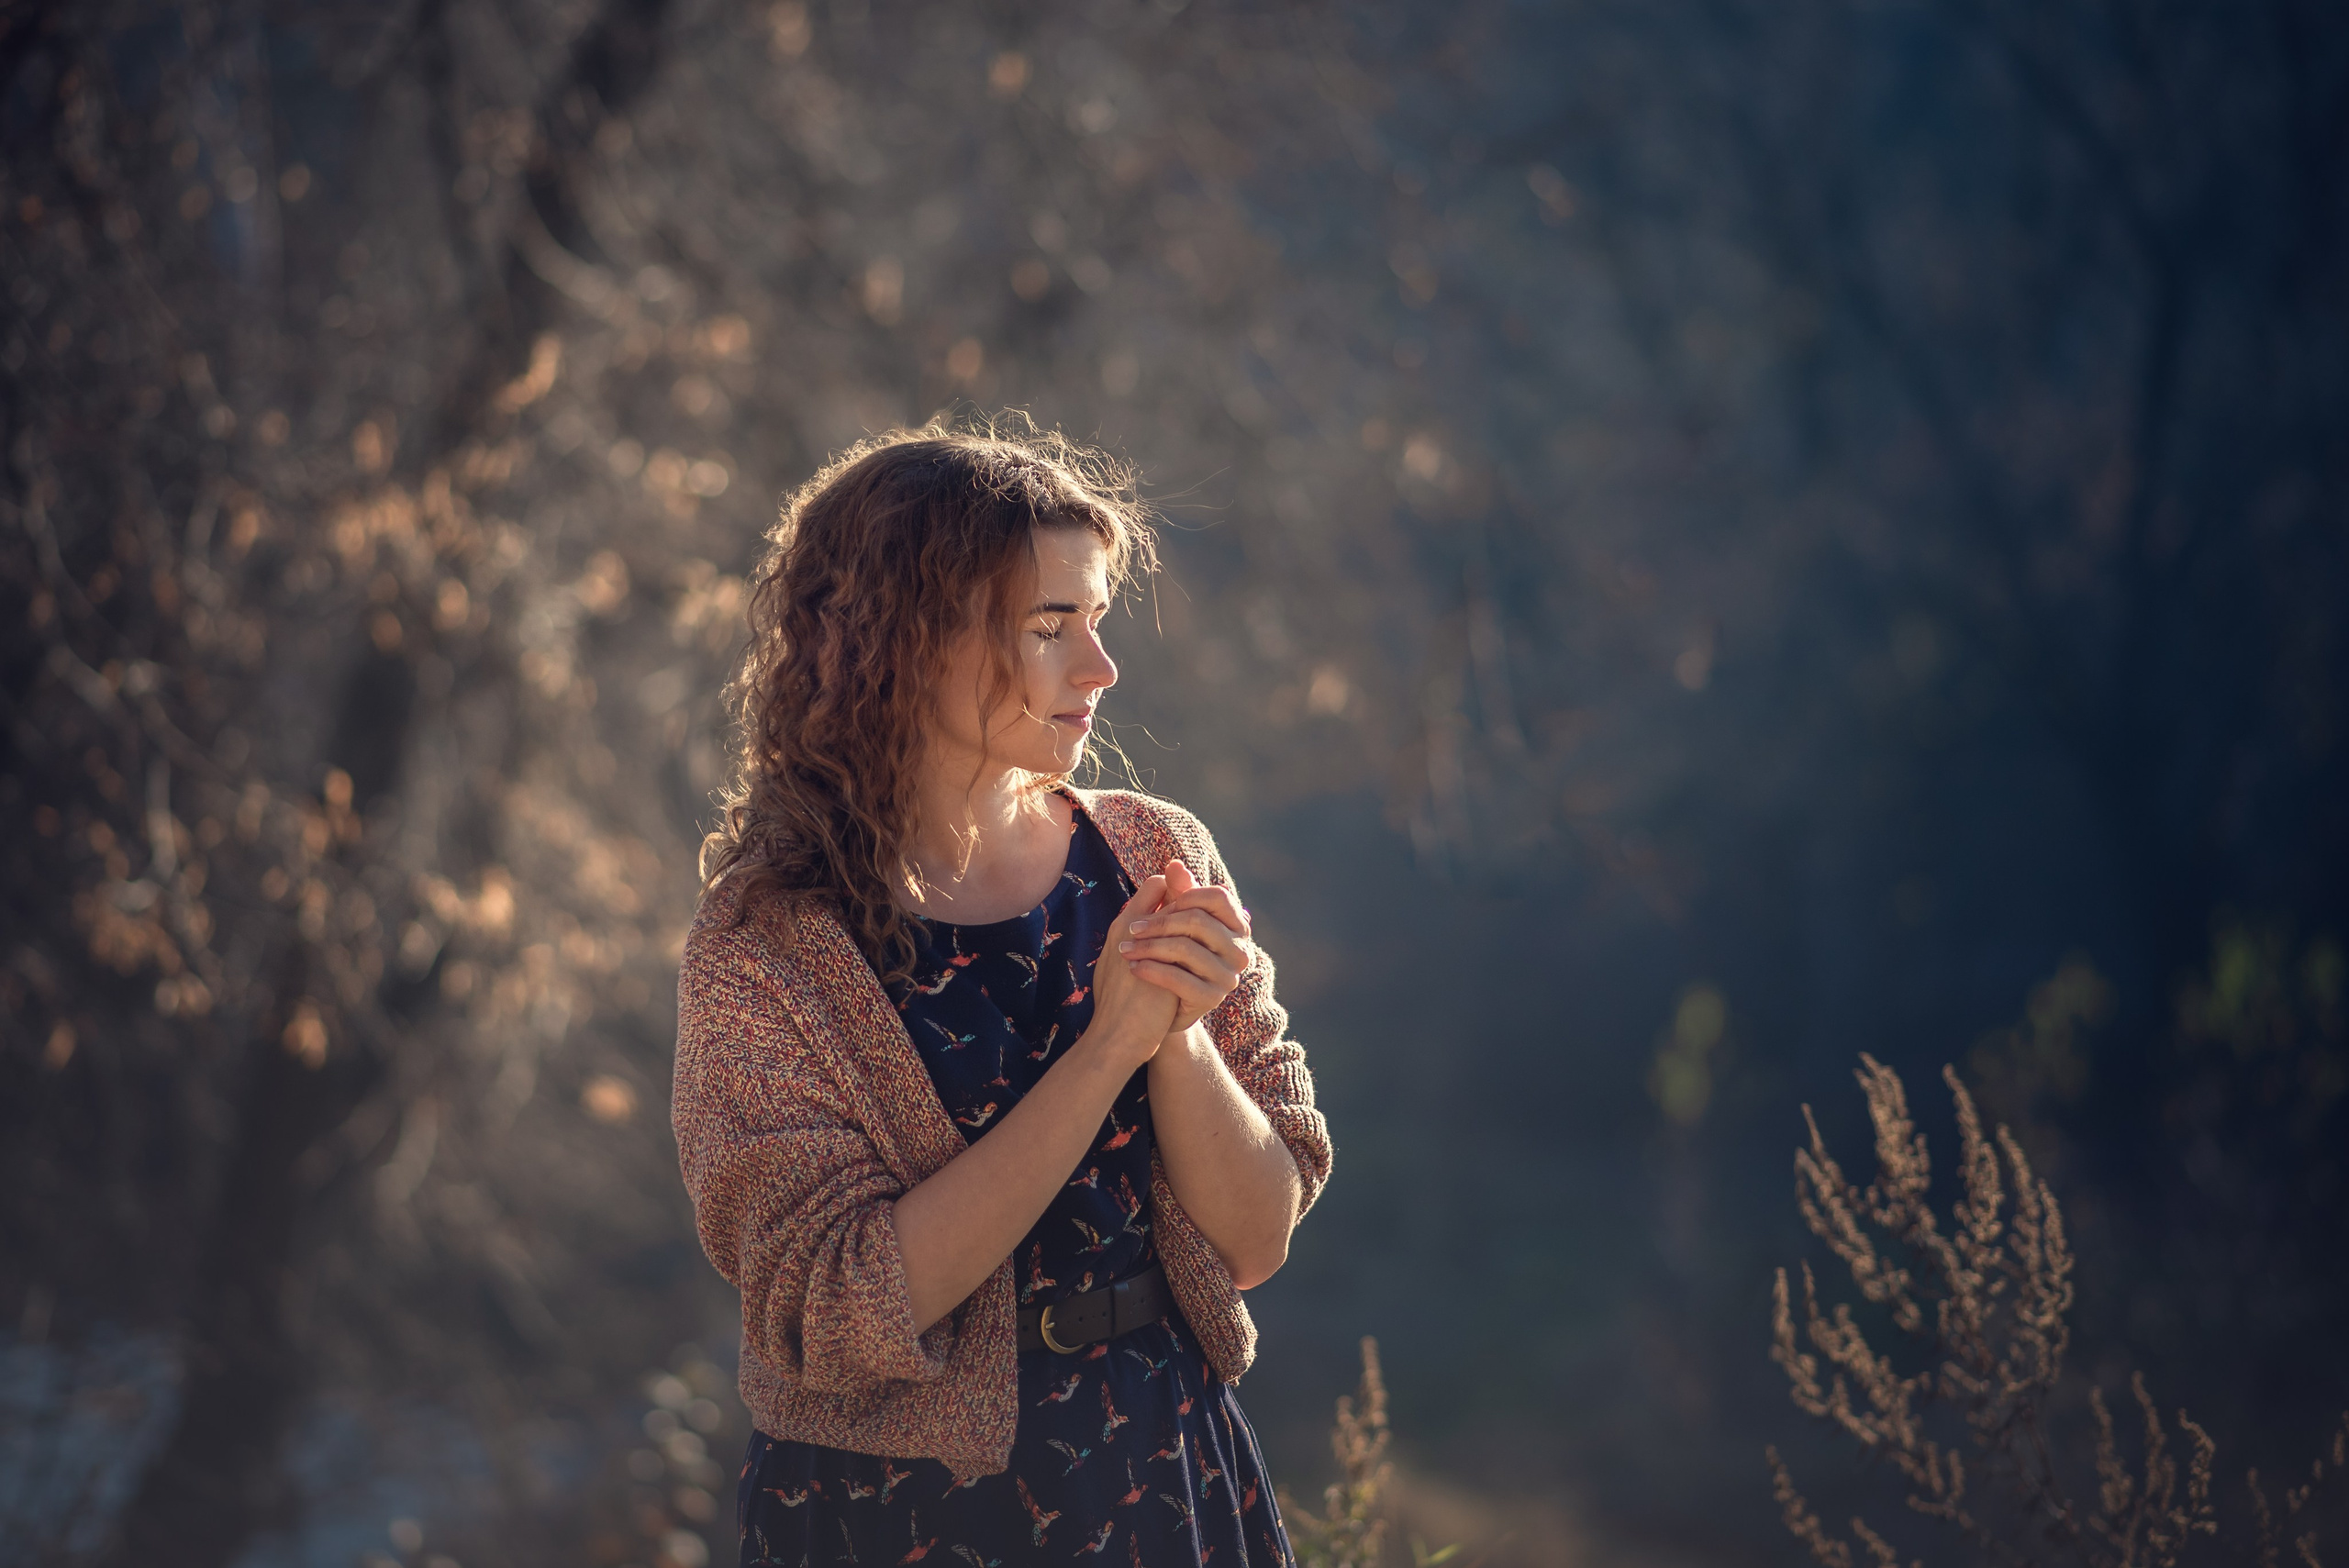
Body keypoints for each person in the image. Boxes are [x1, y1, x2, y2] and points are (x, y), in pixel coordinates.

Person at [673, 422, 1333, 1568]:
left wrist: (1174, 1038)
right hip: (899, 1518)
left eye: (1097, 619)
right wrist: (1104, 1048)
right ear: (908, 639)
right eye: (1049, 625)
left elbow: (1258, 1232)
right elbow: (832, 1307)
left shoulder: (1152, 852)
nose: (1099, 667)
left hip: (1162, 1478)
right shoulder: (768, 943)